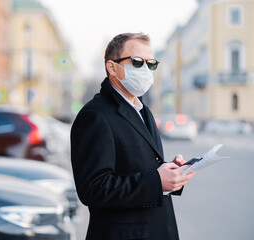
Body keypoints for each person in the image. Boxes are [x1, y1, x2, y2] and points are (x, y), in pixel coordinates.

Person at [70, 33, 195, 240]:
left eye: (151, 64)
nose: (145, 70)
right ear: (112, 67)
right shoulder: (95, 116)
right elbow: (93, 189)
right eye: (137, 62)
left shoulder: (142, 109)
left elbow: (141, 167)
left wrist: (172, 174)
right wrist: (156, 181)